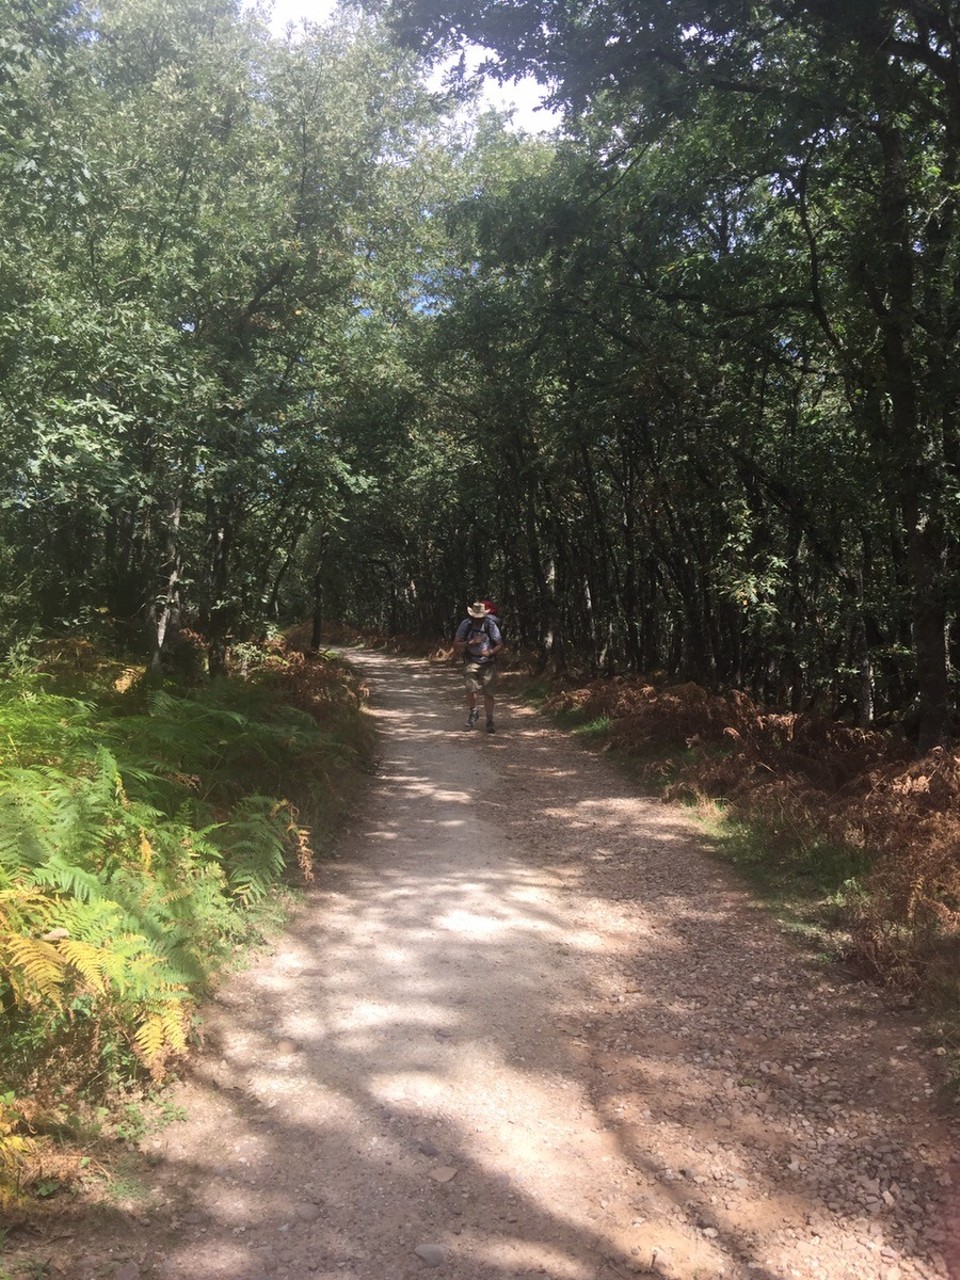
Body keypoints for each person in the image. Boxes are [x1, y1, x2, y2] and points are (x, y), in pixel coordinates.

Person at [454, 601, 503, 733]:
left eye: (480, 616)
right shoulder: (466, 624)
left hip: (489, 662)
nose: (478, 618)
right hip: (471, 661)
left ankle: (489, 720)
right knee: (471, 688)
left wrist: (491, 652)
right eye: (476, 616)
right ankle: (473, 712)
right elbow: (456, 644)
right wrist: (470, 642)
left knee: (489, 693)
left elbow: (499, 644)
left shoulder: (490, 624)